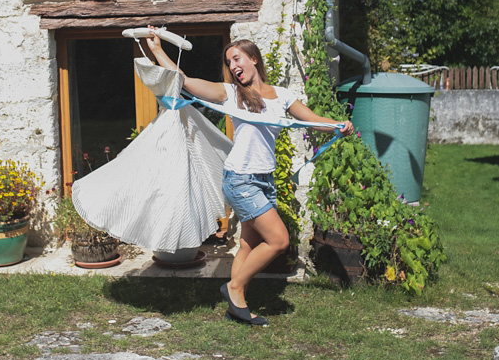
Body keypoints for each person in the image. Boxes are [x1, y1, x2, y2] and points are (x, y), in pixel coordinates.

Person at [146, 28, 352, 326]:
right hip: (240, 179)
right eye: (229, 62)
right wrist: (157, 50)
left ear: (254, 59)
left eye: (237, 58)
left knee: (248, 245)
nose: (233, 66)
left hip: (263, 180)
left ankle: (235, 306)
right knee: (279, 240)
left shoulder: (282, 96)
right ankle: (234, 288)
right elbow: (184, 81)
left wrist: (337, 125)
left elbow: (313, 122)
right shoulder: (230, 94)